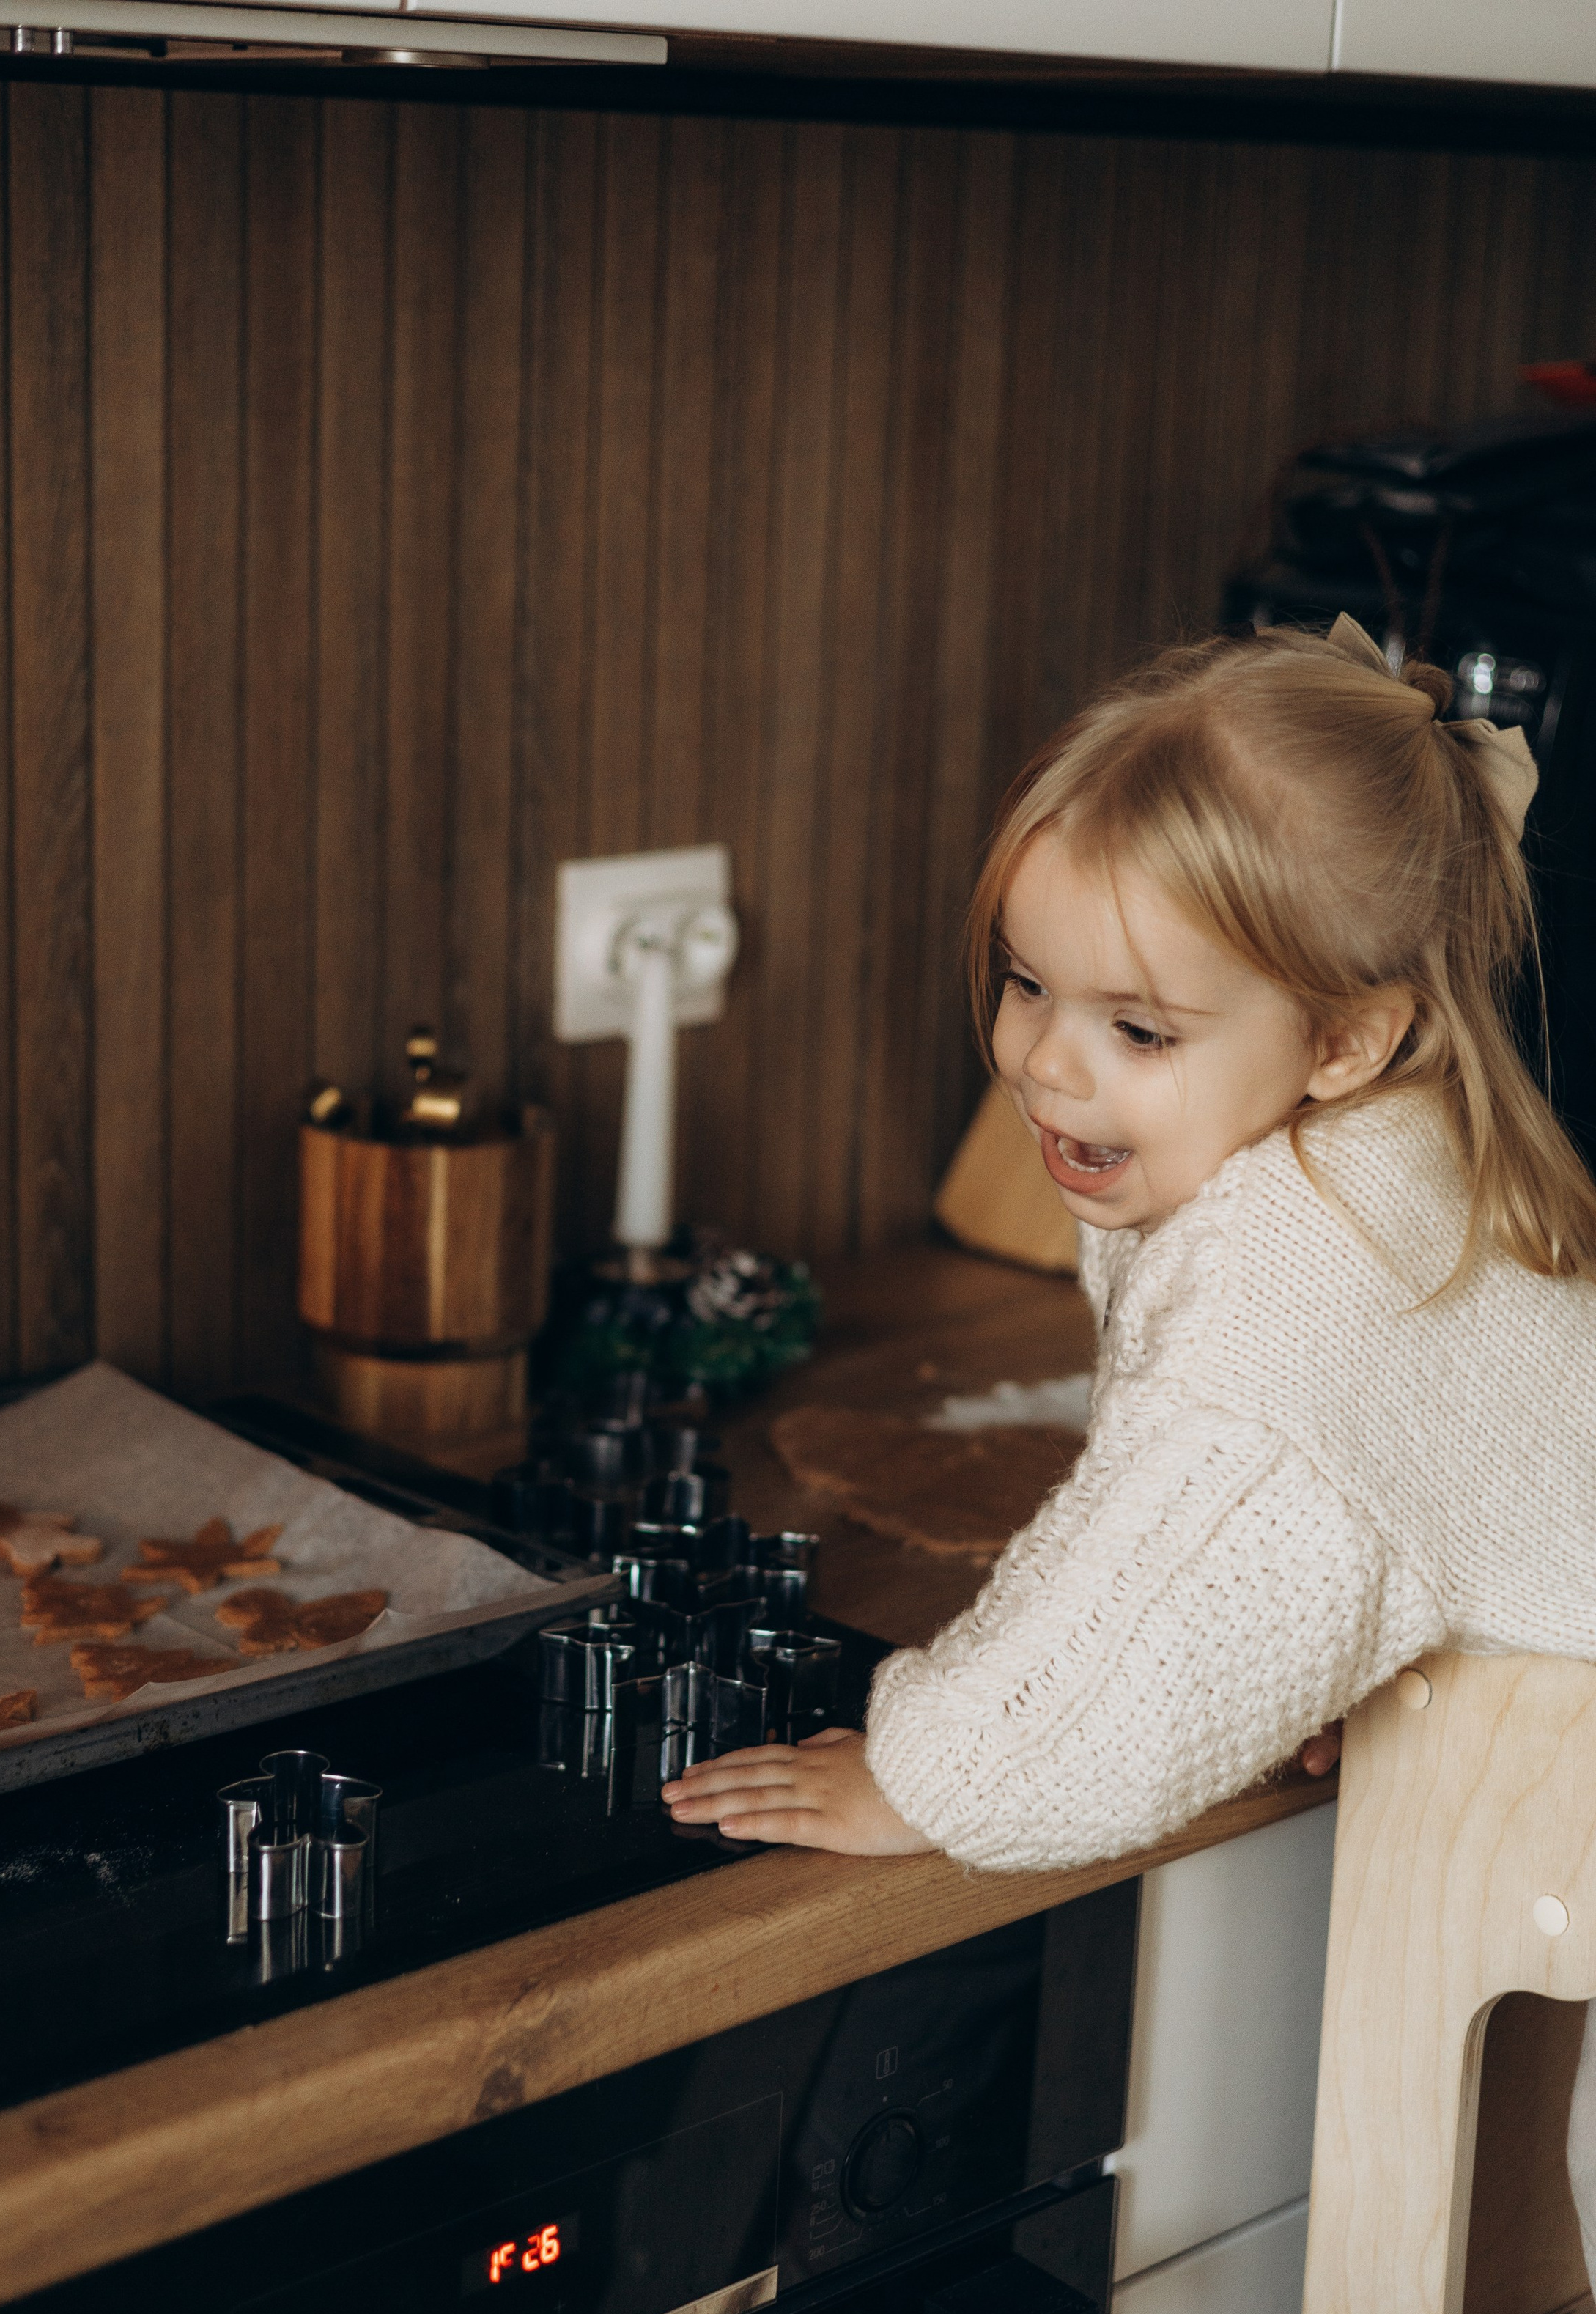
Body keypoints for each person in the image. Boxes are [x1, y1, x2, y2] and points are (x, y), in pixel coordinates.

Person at [662, 617, 1596, 1879]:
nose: (1047, 1062)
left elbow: (1126, 1648)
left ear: (1346, 1040)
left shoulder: (1286, 1293)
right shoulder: (1377, 1143)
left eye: (1141, 1031)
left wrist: (928, 1780)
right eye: (1027, 982)